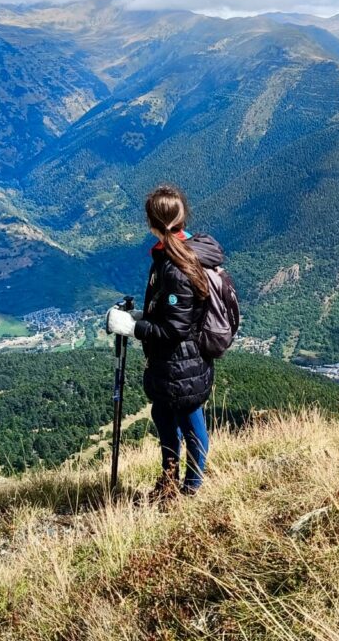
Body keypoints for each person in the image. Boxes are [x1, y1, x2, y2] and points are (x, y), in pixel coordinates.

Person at [112, 184, 225, 502]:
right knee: (163, 417)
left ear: (153, 224)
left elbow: (174, 328)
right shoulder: (174, 253)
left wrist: (134, 328)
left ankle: (191, 489)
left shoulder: (176, 267)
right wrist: (137, 315)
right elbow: (170, 311)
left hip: (182, 364)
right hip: (175, 364)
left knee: (190, 422)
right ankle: (169, 480)